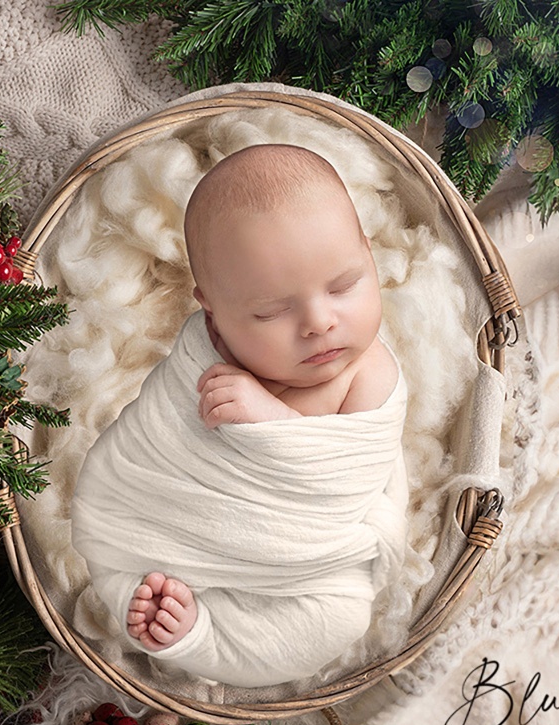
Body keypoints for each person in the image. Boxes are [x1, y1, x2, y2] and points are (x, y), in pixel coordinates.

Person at [72, 143, 407, 686]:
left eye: (344, 285)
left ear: (369, 253)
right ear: (213, 310)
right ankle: (171, 622)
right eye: (271, 312)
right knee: (122, 570)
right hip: (162, 525)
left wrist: (269, 420)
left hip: (308, 565)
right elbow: (153, 437)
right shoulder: (204, 353)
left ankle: (201, 639)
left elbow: (345, 485)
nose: (320, 322)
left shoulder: (369, 373)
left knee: (338, 618)